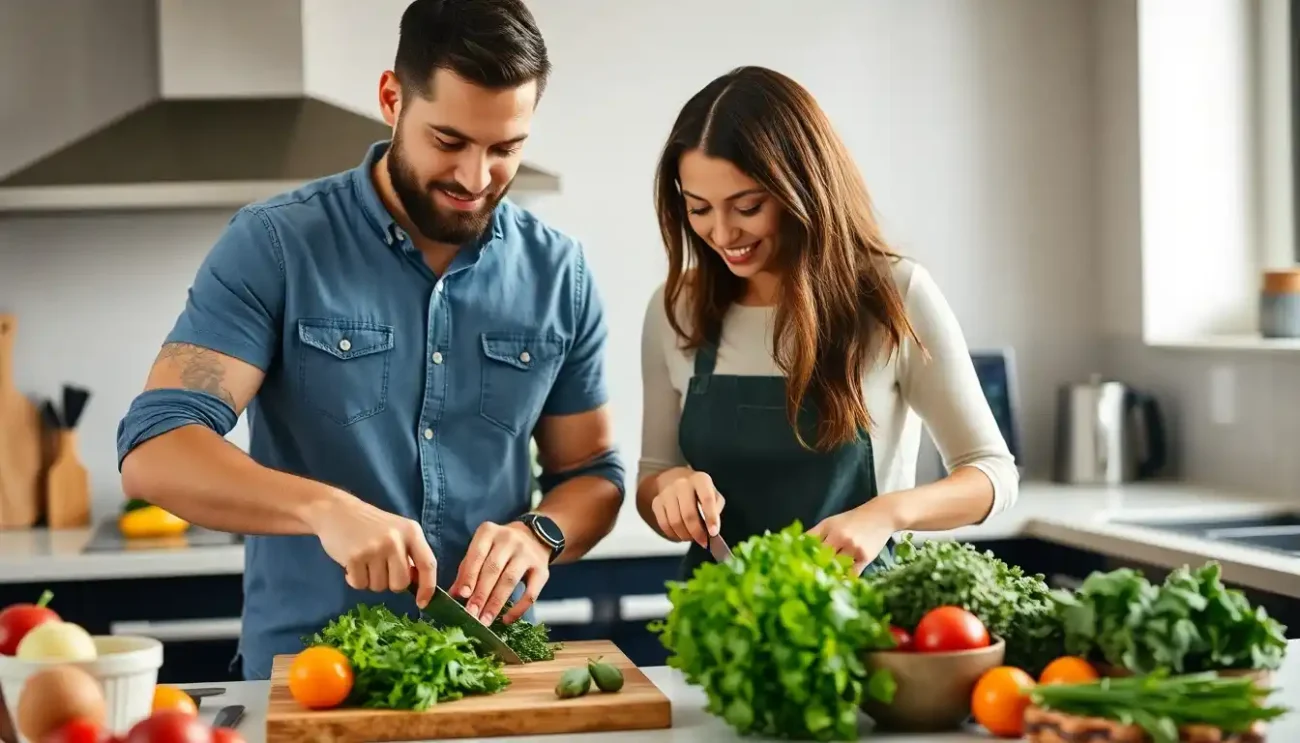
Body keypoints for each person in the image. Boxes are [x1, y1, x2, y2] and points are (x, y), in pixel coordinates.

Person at [115, 0, 624, 680]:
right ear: (391, 99)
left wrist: (541, 534)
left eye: (505, 149)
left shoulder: (559, 274)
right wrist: (324, 508)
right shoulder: (275, 246)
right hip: (311, 675)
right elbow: (156, 449)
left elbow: (592, 475)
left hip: (493, 676)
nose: (475, 179)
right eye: (448, 141)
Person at [636, 66, 1019, 579]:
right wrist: (670, 492)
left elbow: (993, 473)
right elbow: (653, 477)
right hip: (716, 625)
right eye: (699, 208)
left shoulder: (894, 294)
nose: (722, 232)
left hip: (865, 629)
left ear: (803, 188)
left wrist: (886, 513)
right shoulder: (676, 308)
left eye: (747, 206)